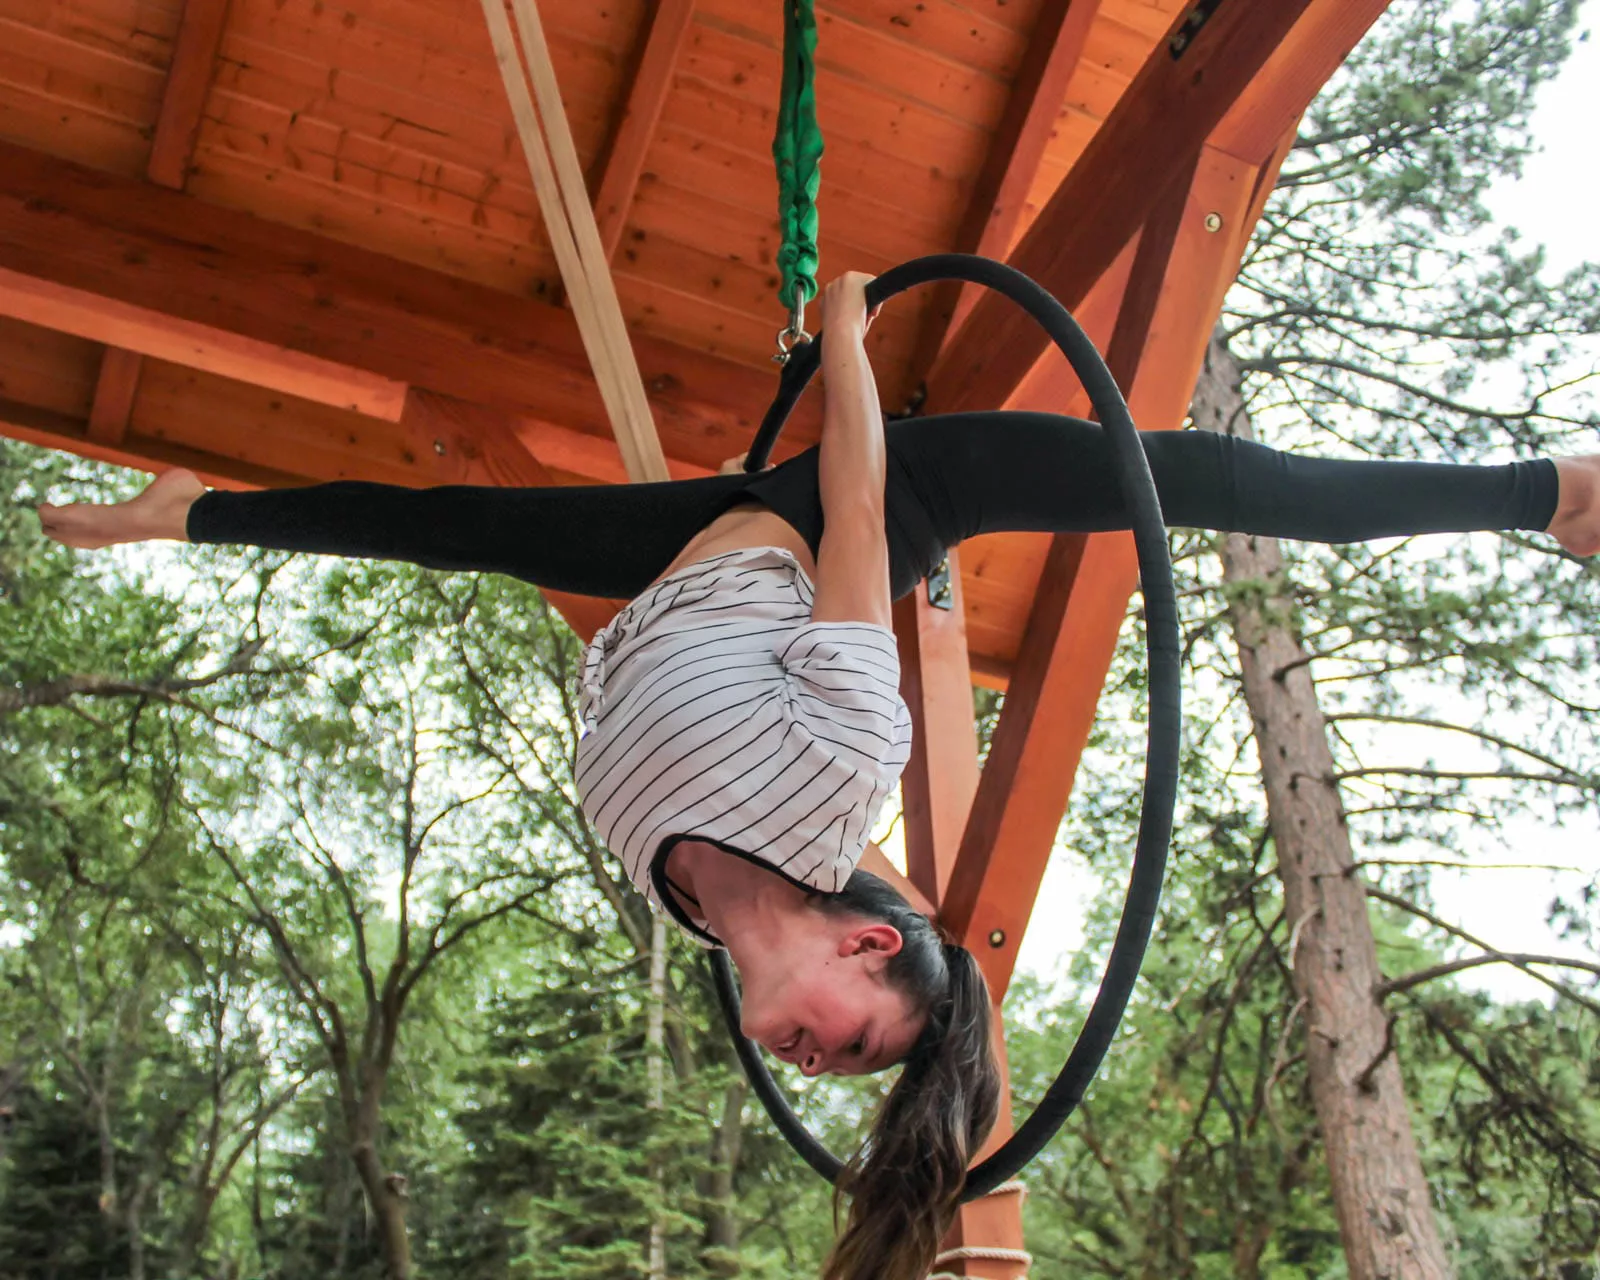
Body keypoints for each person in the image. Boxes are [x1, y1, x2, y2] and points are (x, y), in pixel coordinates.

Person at [37, 273, 1600, 1280]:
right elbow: (855, 492)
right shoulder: (837, 770)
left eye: (838, 1075)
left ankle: (196, 513)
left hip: (682, 566)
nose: (814, 1067)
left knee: (462, 529)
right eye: (858, 1048)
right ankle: (1549, 491)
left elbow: (852, 906)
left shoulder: (673, 891)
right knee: (1182, 478)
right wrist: (845, 341)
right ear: (864, 941)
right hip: (857, 506)